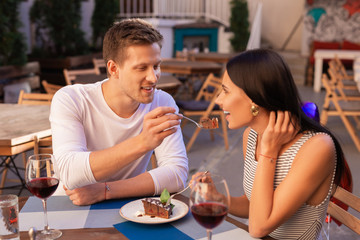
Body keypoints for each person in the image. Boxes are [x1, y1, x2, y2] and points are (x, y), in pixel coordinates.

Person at [193, 49, 346, 239]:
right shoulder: (251, 136)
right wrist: (220, 199)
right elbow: (256, 205)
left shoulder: (317, 147)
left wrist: (269, 151)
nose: (218, 100)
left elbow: (258, 227)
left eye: (225, 91)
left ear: (255, 98)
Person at [50, 18, 188, 206]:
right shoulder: (72, 99)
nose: (153, 77)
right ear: (114, 68)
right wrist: (142, 142)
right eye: (142, 68)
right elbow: (69, 172)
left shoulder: (161, 101)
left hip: (128, 206)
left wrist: (106, 191)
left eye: (156, 66)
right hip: (69, 207)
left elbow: (177, 173)